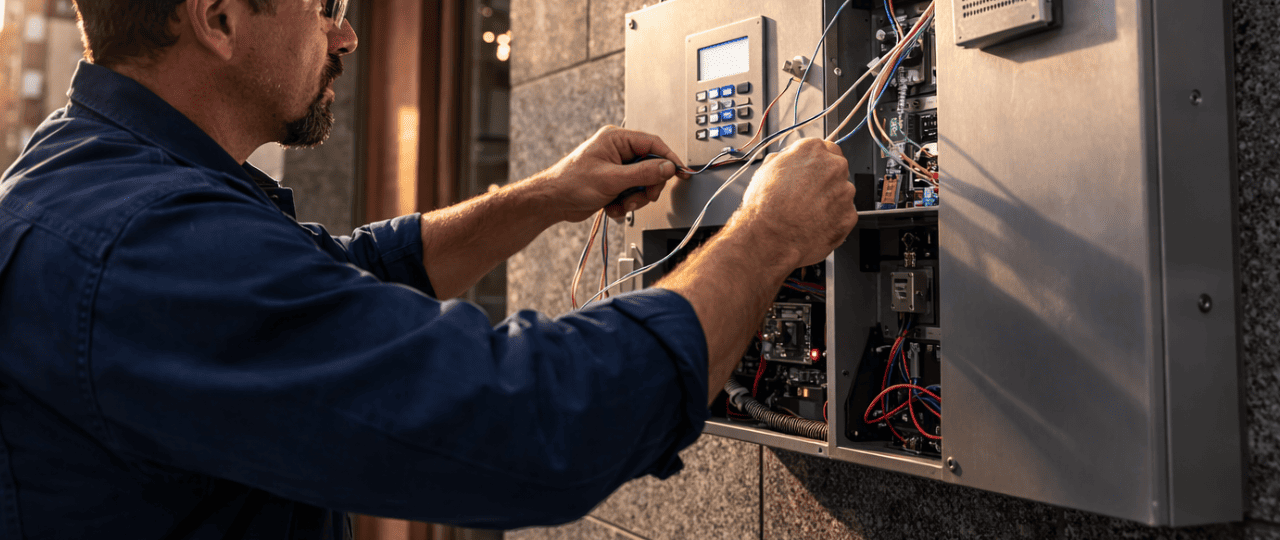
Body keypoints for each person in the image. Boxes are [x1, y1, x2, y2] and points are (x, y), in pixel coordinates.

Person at [0, 0, 857, 538]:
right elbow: (530, 422)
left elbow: (346, 272)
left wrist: (546, 195)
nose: (346, 32)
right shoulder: (143, 247)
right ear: (218, 19)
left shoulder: (89, 177)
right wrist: (766, 237)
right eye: (323, 3)